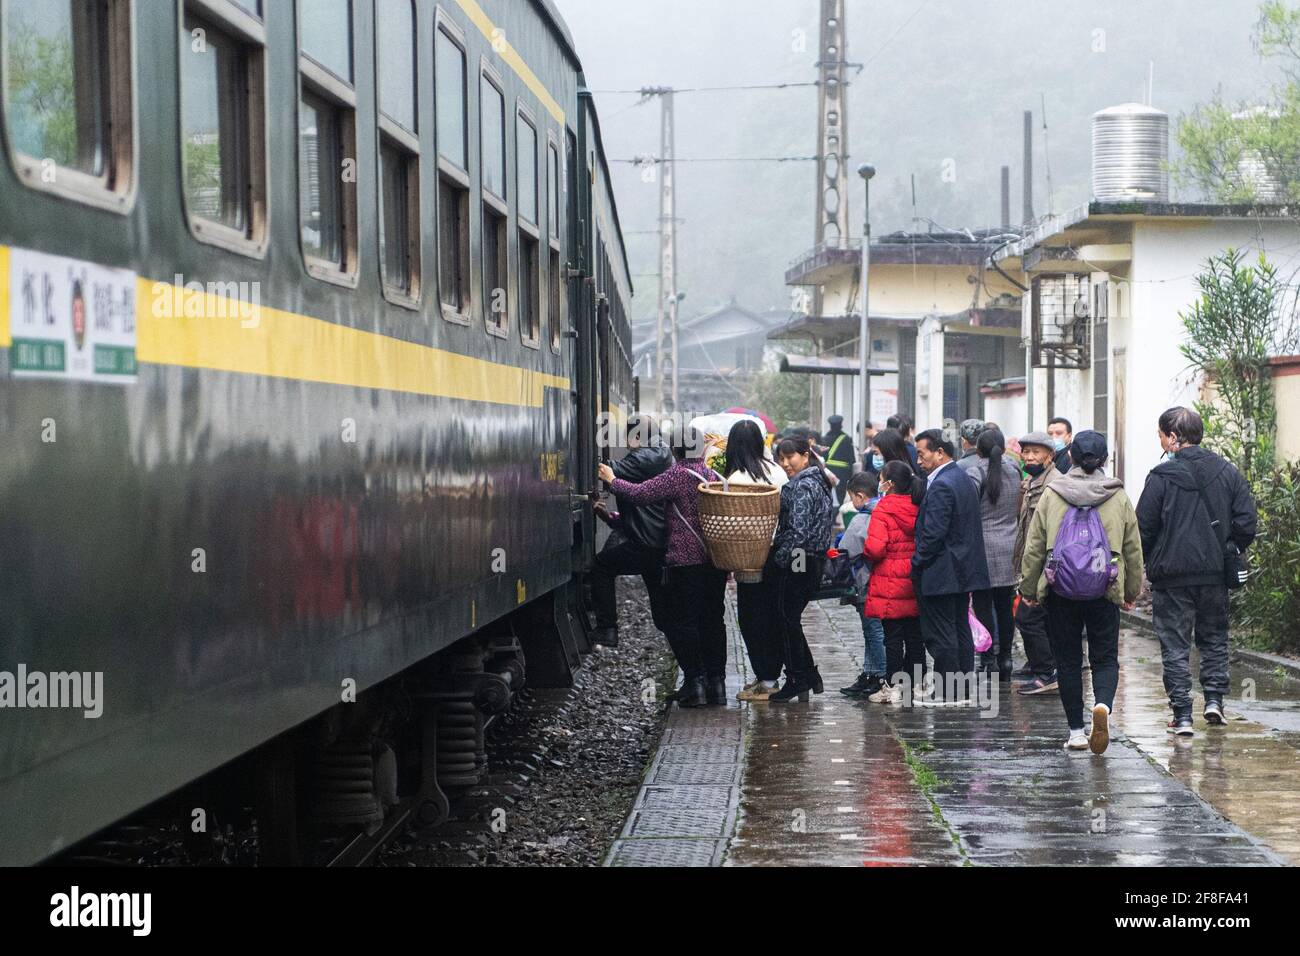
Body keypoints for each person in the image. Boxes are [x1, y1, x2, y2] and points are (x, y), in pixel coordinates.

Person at [1136, 407, 1258, 737]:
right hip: (1215, 575)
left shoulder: (1161, 477)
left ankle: (1182, 716)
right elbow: (1247, 522)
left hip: (1171, 578)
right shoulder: (1227, 472)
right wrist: (1230, 548)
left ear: (1173, 438)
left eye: (1161, 434)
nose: (1159, 441)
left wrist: (1146, 565)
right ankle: (1214, 701)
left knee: (1175, 646)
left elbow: (1142, 529)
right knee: (1214, 639)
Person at [1019, 431, 1143, 754]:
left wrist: (1029, 589)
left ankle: (1075, 731)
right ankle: (1102, 705)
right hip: (1105, 587)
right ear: (1103, 461)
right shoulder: (1118, 496)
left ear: (1069, 457)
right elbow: (1133, 549)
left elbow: (1034, 547)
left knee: (1068, 660)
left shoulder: (1052, 493)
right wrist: (1131, 591)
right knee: (1105, 658)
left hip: (1061, 589)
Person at [599, 426, 726, 708]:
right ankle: (717, 685)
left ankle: (695, 683)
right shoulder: (715, 476)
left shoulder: (678, 475)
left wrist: (612, 479)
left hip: (686, 561)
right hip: (715, 562)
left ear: (675, 450)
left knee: (684, 622)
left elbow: (642, 494)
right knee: (713, 621)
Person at [912, 429, 990, 703]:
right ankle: (961, 688)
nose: (918, 461)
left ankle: (948, 690)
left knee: (943, 632)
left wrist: (918, 561)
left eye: (922, 454)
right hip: (960, 570)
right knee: (958, 628)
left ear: (940, 452)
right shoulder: (959, 477)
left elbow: (933, 533)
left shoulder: (944, 483)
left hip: (943, 571)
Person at [590, 416, 673, 647]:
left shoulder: (644, 457)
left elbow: (608, 472)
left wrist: (601, 469)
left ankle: (607, 628)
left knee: (601, 566)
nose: (625, 443)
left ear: (636, 436)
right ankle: (692, 667)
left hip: (646, 544)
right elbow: (645, 507)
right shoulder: (660, 452)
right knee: (663, 614)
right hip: (656, 542)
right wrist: (609, 517)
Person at [720, 419, 788, 702]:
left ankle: (767, 679)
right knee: (773, 615)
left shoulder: (734, 479)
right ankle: (770, 675)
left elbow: (729, 523)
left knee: (751, 618)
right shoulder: (778, 472)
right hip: (776, 555)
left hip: (749, 556)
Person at [766, 435, 837, 702]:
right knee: (790, 620)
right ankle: (808, 675)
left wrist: (779, 559)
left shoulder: (803, 486)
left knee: (785, 620)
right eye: (781, 459)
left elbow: (798, 531)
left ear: (805, 455)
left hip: (799, 559)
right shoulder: (818, 481)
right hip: (812, 560)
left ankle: (797, 677)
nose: (785, 463)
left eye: (790, 457)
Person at [863, 461, 927, 705]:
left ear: (890, 483)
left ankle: (893, 687)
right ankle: (919, 685)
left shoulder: (883, 509)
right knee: (915, 636)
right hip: (915, 578)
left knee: (892, 638)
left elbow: (875, 548)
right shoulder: (919, 504)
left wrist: (866, 554)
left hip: (890, 581)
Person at [967, 428, 1022, 680]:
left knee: (982, 606)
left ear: (978, 449)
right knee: (1004, 606)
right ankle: (1006, 659)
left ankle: (988, 658)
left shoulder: (975, 472)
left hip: (983, 546)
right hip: (1009, 545)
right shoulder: (1014, 470)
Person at [1010, 431, 1060, 695]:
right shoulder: (1032, 482)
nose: (1029, 457)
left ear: (1049, 456)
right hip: (1030, 563)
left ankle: (1047, 671)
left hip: (1044, 566)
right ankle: (1044, 668)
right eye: (1026, 452)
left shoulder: (1053, 485)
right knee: (1039, 619)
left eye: (1035, 452)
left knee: (1028, 617)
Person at [836, 472, 886, 698]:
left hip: (865, 584)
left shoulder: (863, 518)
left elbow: (846, 550)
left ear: (859, 496)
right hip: (877, 583)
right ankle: (870, 672)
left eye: (851, 498)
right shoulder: (882, 512)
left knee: (873, 630)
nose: (850, 503)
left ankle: (879, 675)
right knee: (872, 630)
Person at [821, 414, 855, 503]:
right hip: (842, 474)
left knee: (827, 497)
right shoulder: (847, 439)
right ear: (841, 425)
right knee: (839, 498)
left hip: (827, 472)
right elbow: (852, 459)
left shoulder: (824, 439)